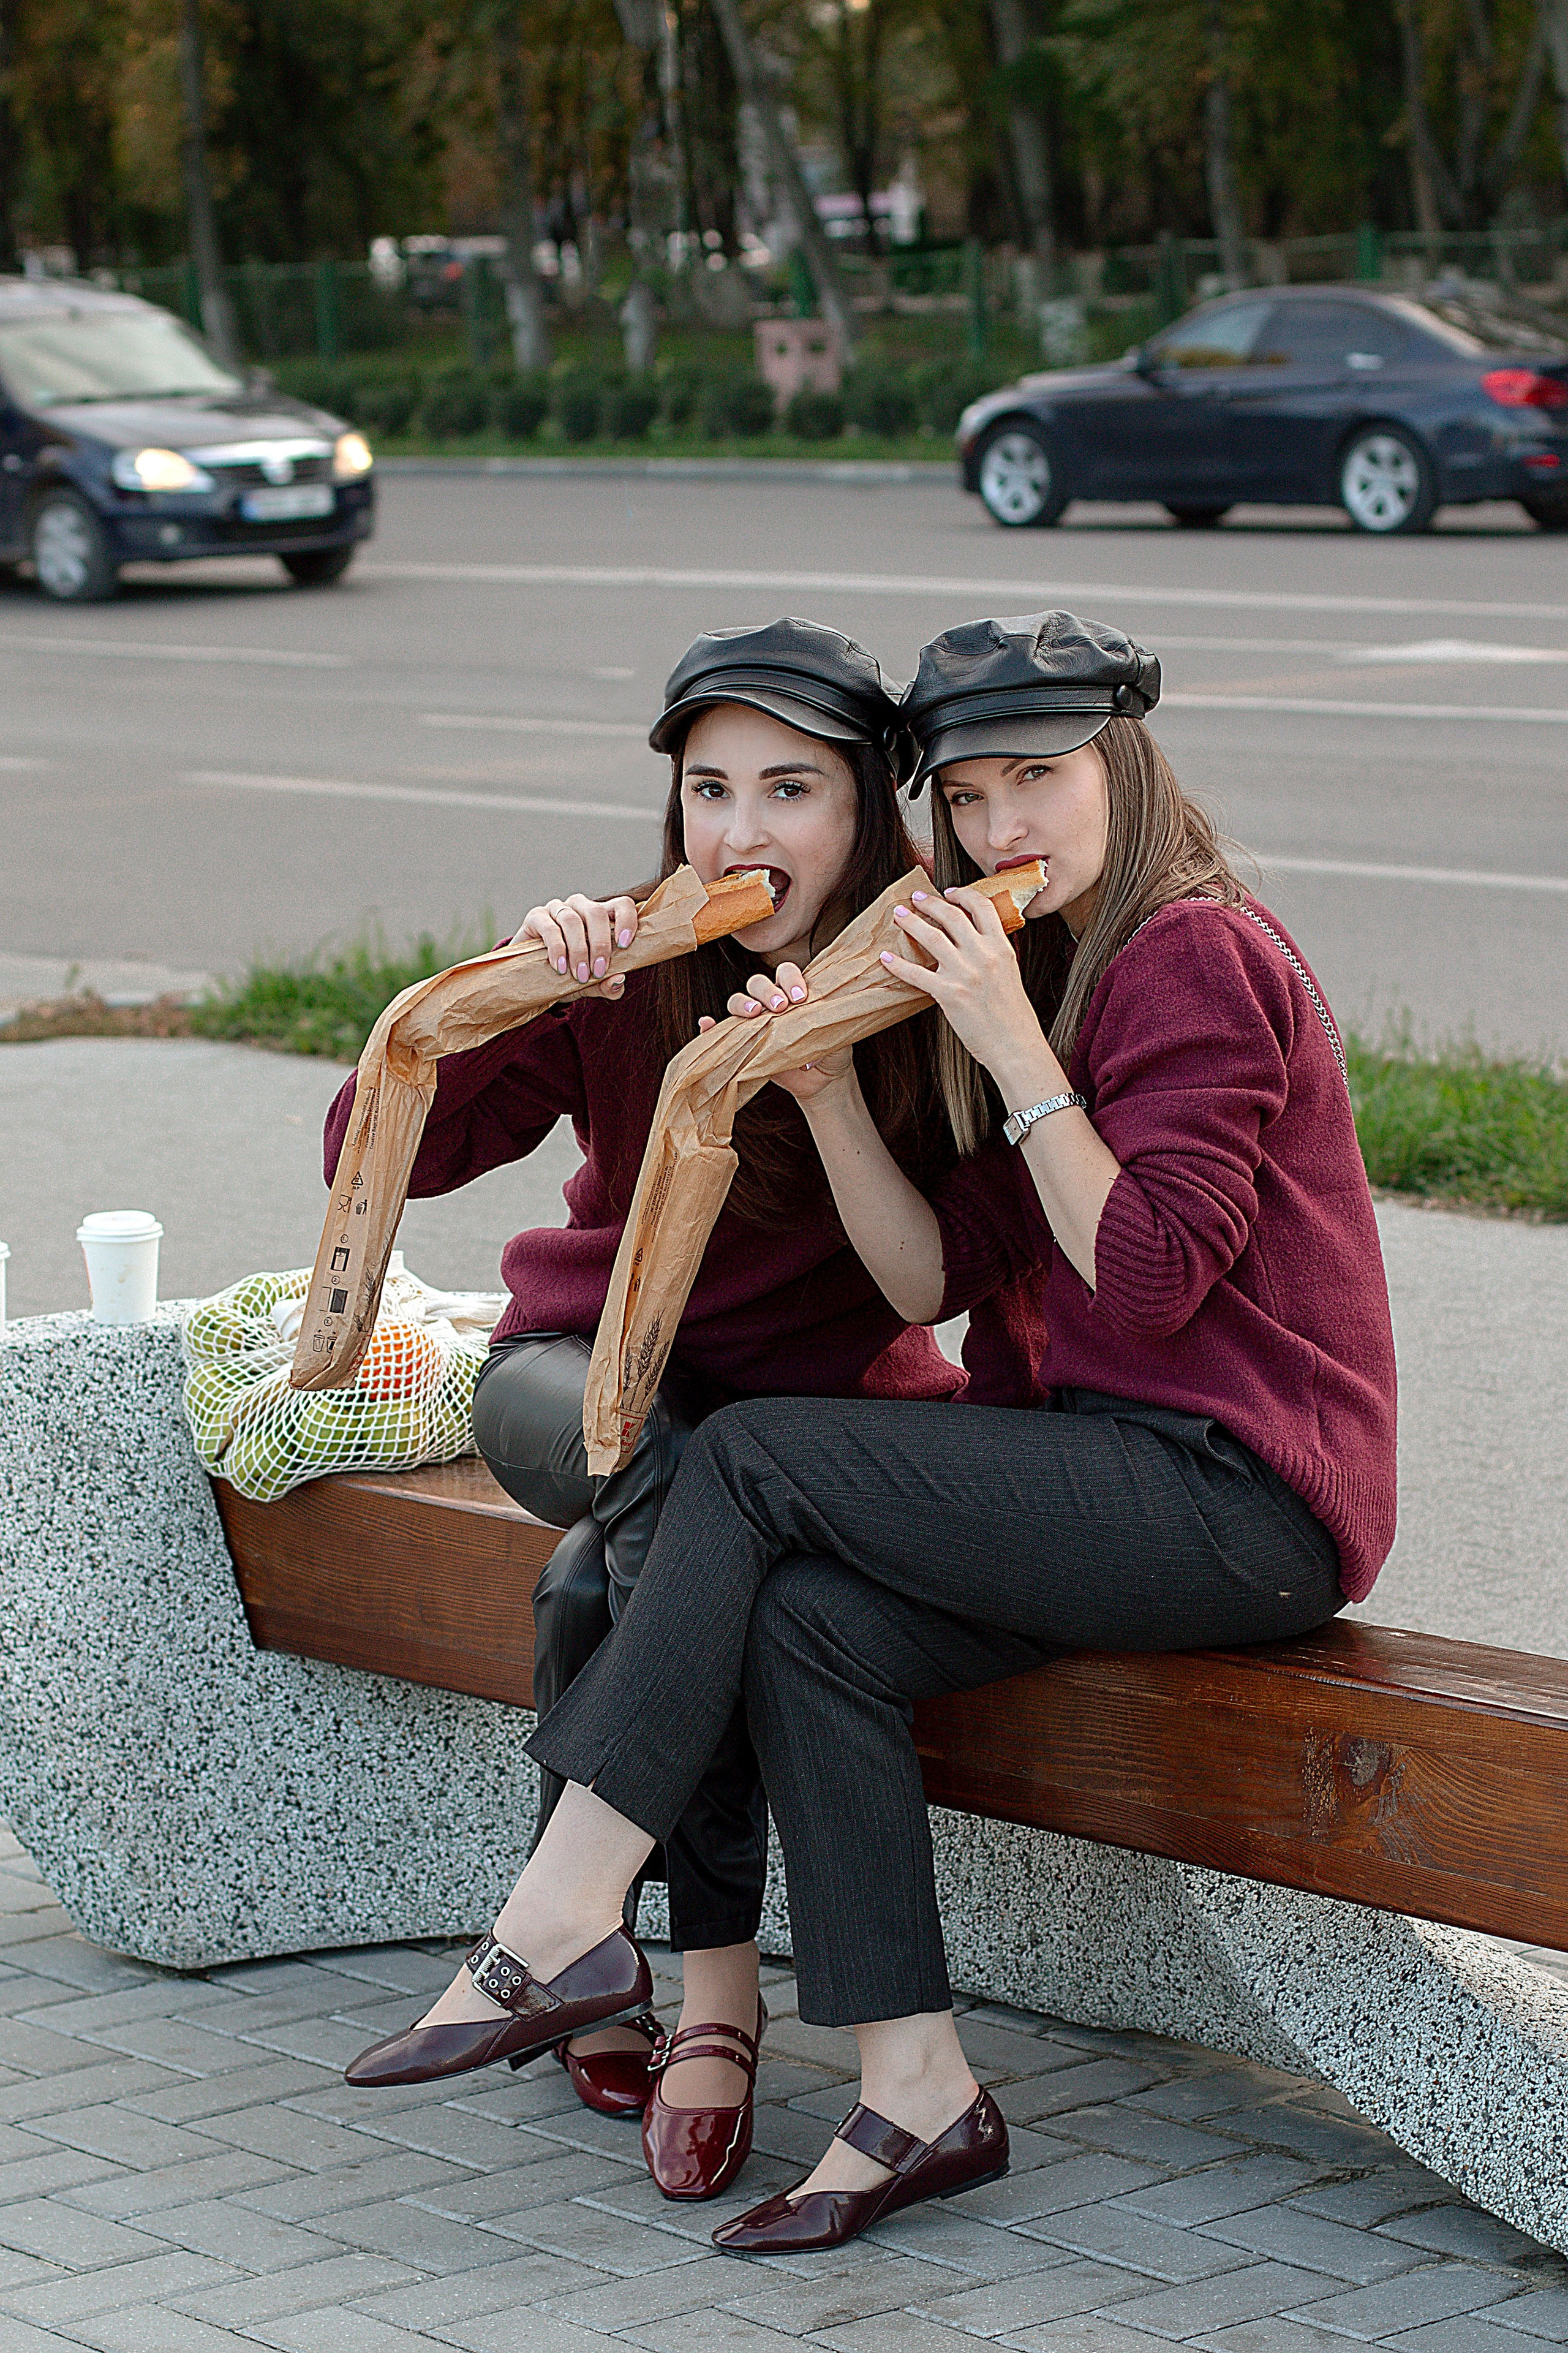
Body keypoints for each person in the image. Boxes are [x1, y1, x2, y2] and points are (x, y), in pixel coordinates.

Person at [342, 610, 1397, 2258]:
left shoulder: (1192, 950)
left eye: (1038, 781)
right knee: (808, 1619)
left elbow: (1155, 1271)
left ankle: (562, 1912)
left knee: (757, 1458)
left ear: (1124, 764)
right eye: (970, 795)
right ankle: (917, 2086)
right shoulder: (1022, 958)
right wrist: (828, 1084)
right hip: (1088, 1469)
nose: (1002, 831)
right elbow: (932, 1267)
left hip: (1239, 1490)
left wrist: (1007, 1048)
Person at [323, 618, 973, 2201]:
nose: (741, 831)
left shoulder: (922, 986)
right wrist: (516, 980)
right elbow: (378, 1133)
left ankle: (615, 1957)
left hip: (809, 1424)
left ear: (871, 808)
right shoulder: (630, 952)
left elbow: (933, 1284)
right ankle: (713, 1994)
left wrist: (816, 1067)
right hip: (574, 1371)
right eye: (709, 789)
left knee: (602, 1585)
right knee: (664, 1502)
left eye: (791, 791)